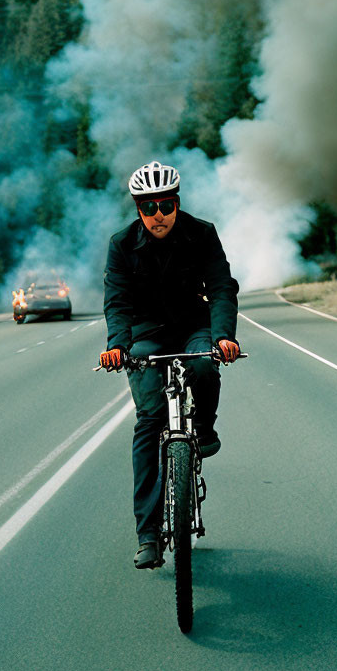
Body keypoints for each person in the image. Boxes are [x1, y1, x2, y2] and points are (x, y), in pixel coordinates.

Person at [100, 160, 240, 569]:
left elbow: (220, 287)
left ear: (177, 203)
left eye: (166, 204)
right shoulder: (122, 245)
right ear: (138, 209)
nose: (158, 214)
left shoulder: (202, 234)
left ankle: (204, 428)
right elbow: (117, 301)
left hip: (193, 325)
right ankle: (147, 535)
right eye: (148, 207)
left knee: (202, 365)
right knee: (149, 418)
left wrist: (223, 336)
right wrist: (116, 346)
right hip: (144, 334)